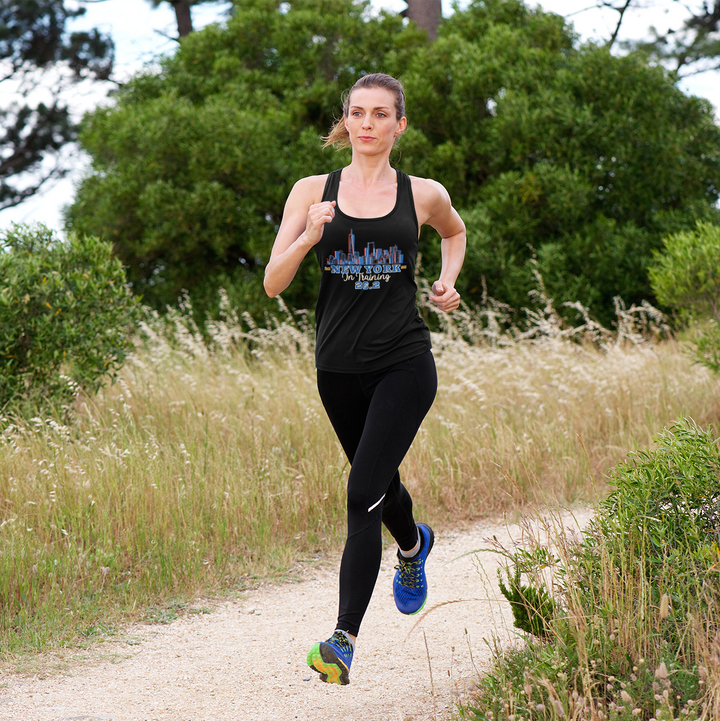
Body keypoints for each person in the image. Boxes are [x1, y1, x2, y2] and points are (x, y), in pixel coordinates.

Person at [263, 72, 466, 686]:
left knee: (360, 491)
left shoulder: (423, 193)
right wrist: (308, 237)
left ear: (398, 125)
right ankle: (413, 544)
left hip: (405, 361)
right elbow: (273, 281)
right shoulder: (311, 190)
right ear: (346, 122)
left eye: (383, 114)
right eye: (359, 113)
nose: (370, 123)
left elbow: (453, 233)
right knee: (378, 484)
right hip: (337, 368)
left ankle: (342, 640)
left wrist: (447, 279)